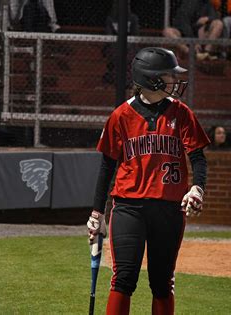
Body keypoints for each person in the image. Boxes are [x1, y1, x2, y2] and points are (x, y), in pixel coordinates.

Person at [87, 47, 210, 314]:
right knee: (124, 279)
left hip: (169, 208)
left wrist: (197, 188)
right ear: (152, 78)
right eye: (169, 75)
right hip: (129, 207)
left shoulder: (182, 113)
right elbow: (107, 166)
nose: (175, 81)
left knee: (162, 283)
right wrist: (97, 213)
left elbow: (198, 158)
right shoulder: (121, 116)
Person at [102, 0, 140, 85]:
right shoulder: (111, 19)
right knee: (115, 52)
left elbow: (135, 35)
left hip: (130, 46)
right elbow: (109, 36)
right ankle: (117, 79)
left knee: (131, 53)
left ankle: (129, 80)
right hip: (114, 46)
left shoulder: (133, 18)